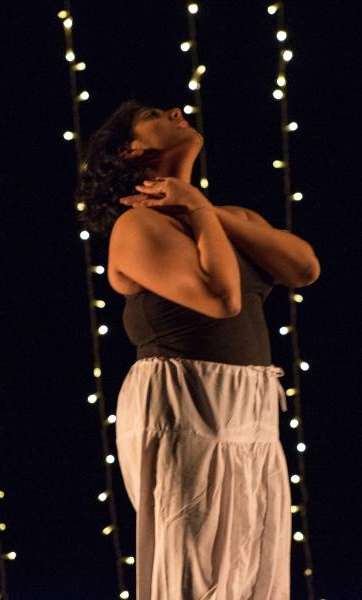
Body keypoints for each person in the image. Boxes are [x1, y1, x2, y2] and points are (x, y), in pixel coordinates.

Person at [76, 99, 320, 599]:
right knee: (197, 564)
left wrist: (202, 208)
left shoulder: (223, 215)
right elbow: (221, 298)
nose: (174, 109)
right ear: (132, 149)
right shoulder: (137, 227)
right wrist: (198, 211)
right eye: (152, 113)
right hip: (185, 399)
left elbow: (304, 268)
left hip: (250, 402)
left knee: (253, 560)